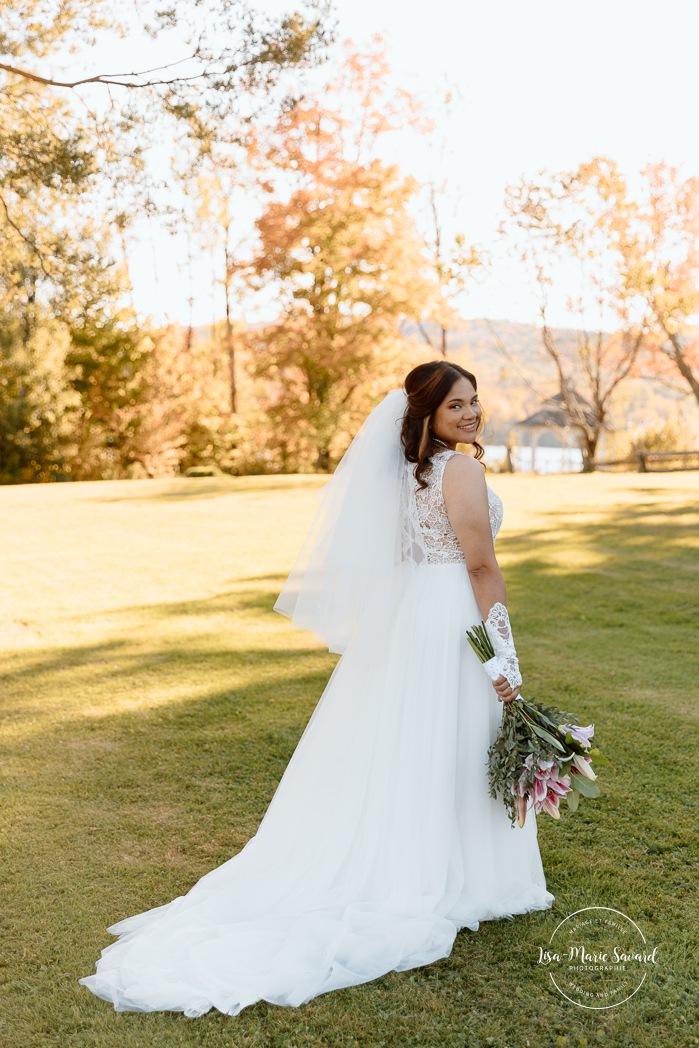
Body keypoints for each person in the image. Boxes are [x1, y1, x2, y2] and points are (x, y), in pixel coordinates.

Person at [79, 360, 554, 1018]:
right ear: (427, 416)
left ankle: (414, 860)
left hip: (411, 619)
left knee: (409, 742)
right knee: (451, 740)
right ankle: (456, 877)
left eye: (473, 401)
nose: (471, 414)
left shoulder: (404, 474)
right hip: (451, 618)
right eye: (455, 407)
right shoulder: (463, 470)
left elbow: (398, 558)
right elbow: (478, 563)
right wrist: (500, 652)